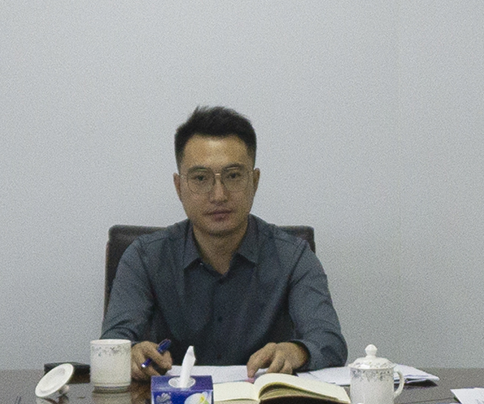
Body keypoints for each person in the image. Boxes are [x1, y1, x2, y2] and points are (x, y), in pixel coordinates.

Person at [101, 106, 347, 381]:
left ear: (254, 181)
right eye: (200, 178)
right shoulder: (145, 258)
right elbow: (113, 342)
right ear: (179, 187)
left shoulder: (293, 257)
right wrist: (131, 354)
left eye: (233, 176)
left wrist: (296, 351)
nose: (219, 195)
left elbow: (329, 341)